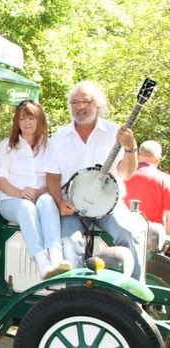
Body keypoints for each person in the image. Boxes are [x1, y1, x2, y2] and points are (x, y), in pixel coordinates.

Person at [44, 81, 143, 280]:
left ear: (98, 105)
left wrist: (131, 148)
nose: (80, 106)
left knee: (131, 234)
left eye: (86, 101)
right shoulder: (59, 138)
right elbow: (52, 177)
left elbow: (125, 174)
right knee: (68, 243)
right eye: (75, 102)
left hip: (110, 207)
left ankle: (133, 297)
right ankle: (76, 297)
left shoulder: (116, 133)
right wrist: (59, 201)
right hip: (73, 208)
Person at [0, 100, 70, 279]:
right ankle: (41, 261)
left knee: (46, 200)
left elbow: (55, 178)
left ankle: (56, 256)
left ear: (39, 120)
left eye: (31, 118)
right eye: (21, 119)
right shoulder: (7, 145)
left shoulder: (50, 145)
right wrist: (20, 193)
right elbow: (0, 180)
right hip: (11, 201)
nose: (26, 123)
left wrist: (40, 192)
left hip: (41, 198)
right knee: (26, 207)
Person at [124, 140, 170, 234]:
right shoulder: (165, 180)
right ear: (159, 159)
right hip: (151, 239)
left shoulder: (122, 176)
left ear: (138, 155)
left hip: (121, 235)